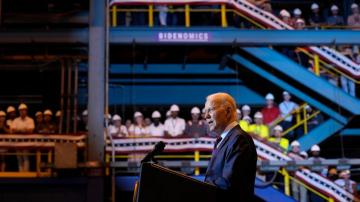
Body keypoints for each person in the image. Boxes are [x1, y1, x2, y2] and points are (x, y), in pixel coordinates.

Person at [204, 92, 257, 202]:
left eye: (210, 109)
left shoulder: (239, 139)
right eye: (205, 111)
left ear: (227, 111)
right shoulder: (223, 139)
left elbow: (227, 183)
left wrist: (197, 190)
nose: (206, 116)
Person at [11, 104, 35, 172]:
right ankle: (21, 174)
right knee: (19, 158)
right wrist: (23, 130)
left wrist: (19, 130)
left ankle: (26, 174)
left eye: (23, 110)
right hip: (17, 142)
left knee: (26, 158)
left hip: (26, 141)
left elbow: (30, 130)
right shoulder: (16, 120)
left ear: (26, 111)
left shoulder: (30, 120)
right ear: (19, 111)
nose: (22, 112)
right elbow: (13, 130)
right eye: (21, 111)